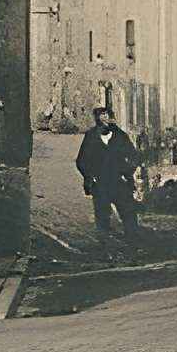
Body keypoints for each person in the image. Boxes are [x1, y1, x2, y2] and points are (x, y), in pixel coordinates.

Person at [76, 105, 142, 254]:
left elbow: (134, 156)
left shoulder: (120, 136)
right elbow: (81, 161)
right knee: (102, 216)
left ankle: (133, 246)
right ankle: (105, 249)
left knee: (128, 212)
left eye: (107, 115)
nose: (105, 118)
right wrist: (89, 177)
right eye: (101, 115)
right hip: (100, 183)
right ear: (96, 118)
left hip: (119, 181)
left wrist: (127, 172)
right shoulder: (91, 136)